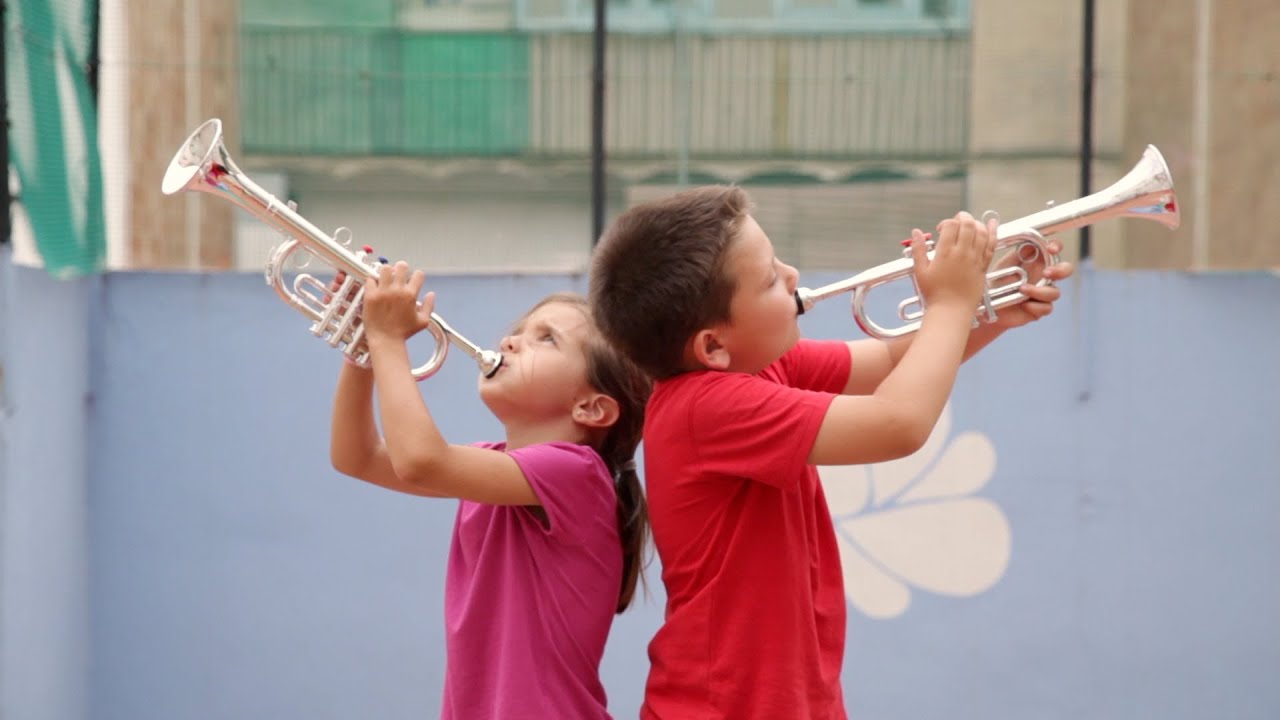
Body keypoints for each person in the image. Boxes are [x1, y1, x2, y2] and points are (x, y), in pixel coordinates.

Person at [587, 186, 1074, 720]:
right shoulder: (705, 405)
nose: (793, 276)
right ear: (712, 347)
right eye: (771, 278)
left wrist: (993, 306)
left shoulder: (757, 368)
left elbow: (893, 363)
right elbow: (899, 423)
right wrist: (953, 302)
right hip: (725, 706)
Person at [329, 262, 651, 720]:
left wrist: (386, 340)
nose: (510, 340)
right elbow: (355, 457)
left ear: (592, 408)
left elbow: (420, 460)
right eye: (520, 330)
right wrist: (362, 348)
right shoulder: (493, 469)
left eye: (547, 338)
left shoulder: (579, 473)